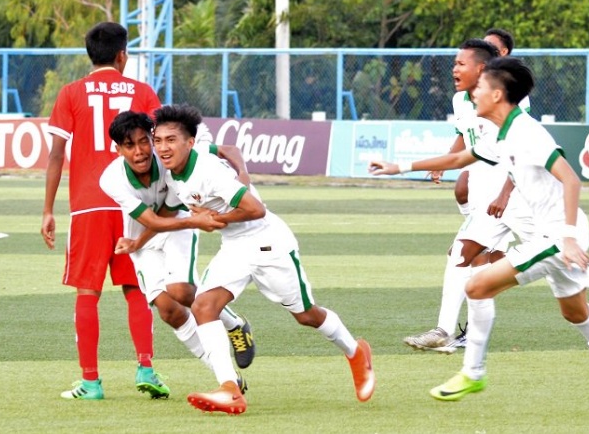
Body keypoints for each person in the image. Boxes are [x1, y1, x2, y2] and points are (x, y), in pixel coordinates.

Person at [370, 56, 589, 414]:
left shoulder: (527, 133)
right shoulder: (501, 134)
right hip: (557, 234)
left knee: (476, 286)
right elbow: (458, 161)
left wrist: (568, 238)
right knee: (575, 313)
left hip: (556, 236)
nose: (475, 93)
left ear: (498, 94)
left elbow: (571, 178)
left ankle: (473, 372)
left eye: (481, 87)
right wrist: (399, 167)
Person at [405, 34, 589, 354]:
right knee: (460, 255)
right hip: (487, 198)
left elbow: (523, 154)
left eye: (461, 62)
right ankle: (445, 331)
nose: (455, 67)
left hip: (518, 197)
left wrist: (506, 192)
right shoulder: (462, 100)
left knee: (561, 262)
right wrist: (435, 166)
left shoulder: (510, 101)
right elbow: (463, 142)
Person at [152, 103, 376, 415]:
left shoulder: (207, 171)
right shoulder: (174, 167)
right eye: (158, 139)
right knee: (204, 306)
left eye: (171, 140)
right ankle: (230, 389)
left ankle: (356, 353)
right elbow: (228, 149)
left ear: (189, 142)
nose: (163, 147)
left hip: (267, 242)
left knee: (306, 315)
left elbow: (255, 209)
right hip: (234, 246)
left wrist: (216, 216)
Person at [41, 21, 166, 401]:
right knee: (135, 289)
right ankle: (146, 367)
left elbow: (57, 154)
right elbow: (159, 144)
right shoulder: (142, 91)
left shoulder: (71, 93)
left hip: (88, 204)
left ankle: (91, 382)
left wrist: (47, 210)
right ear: (122, 55)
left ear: (89, 55)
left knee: (87, 292)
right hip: (134, 202)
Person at [99, 110, 257, 384]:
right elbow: (151, 220)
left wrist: (243, 175)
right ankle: (229, 375)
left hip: (177, 226)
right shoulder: (112, 179)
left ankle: (235, 326)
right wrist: (138, 242)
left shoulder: (168, 152)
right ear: (118, 149)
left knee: (181, 290)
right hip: (147, 237)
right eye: (129, 145)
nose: (139, 152)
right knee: (169, 311)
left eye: (143, 141)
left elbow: (228, 149)